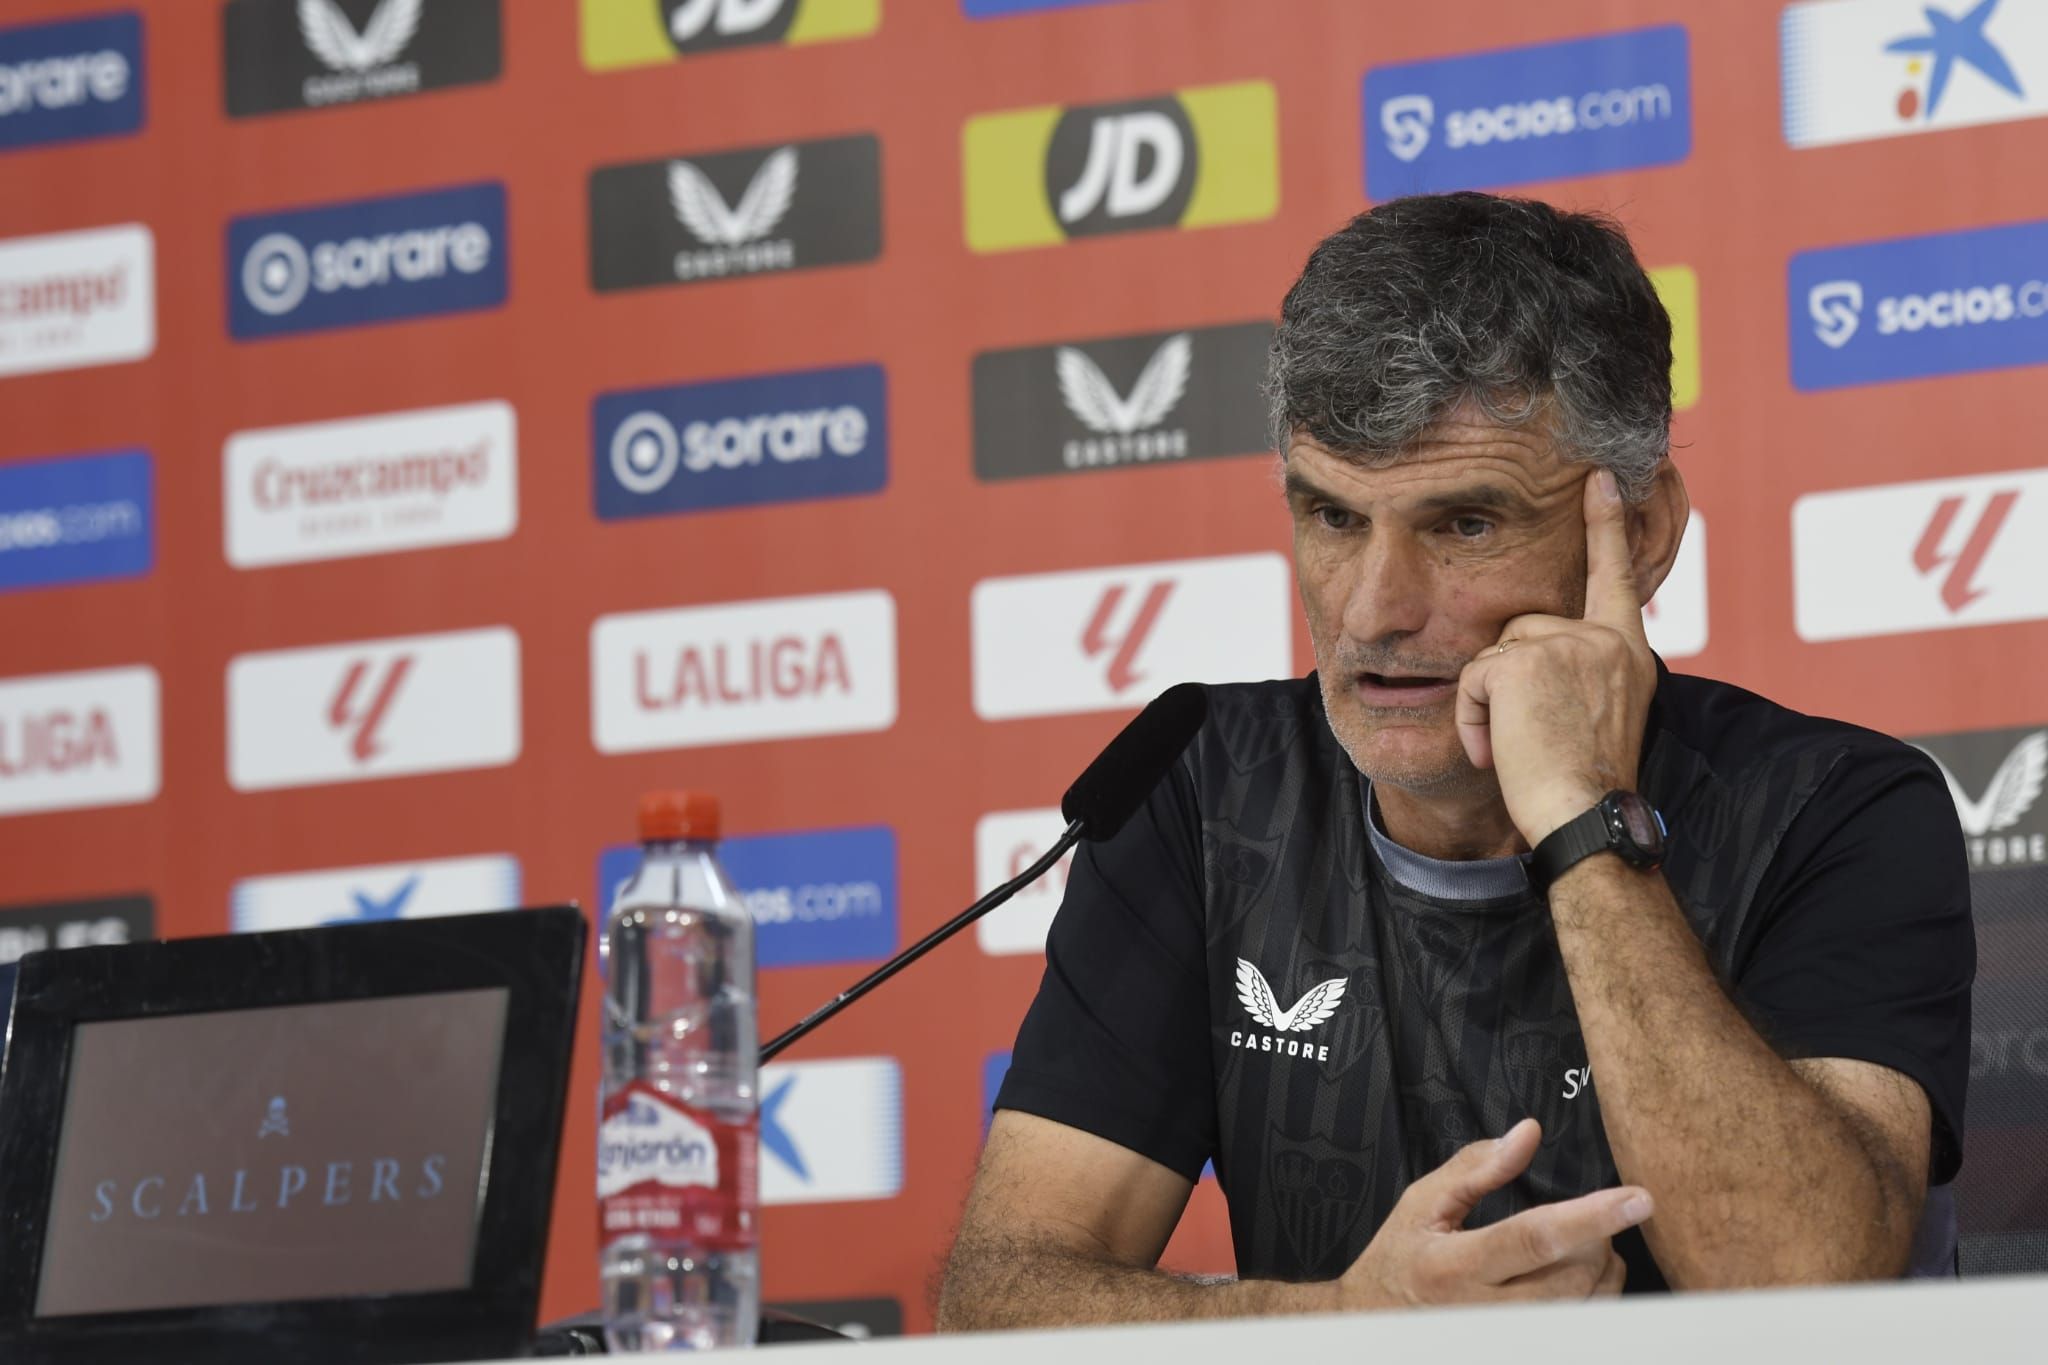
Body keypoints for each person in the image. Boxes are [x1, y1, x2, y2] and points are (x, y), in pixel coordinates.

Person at [936, 192, 1975, 1329]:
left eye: (1462, 526)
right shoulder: (1198, 793)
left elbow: (1804, 1292)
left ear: (1634, 537)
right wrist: (1337, 1323)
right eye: (1332, 519)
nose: (1374, 612)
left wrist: (1581, 817)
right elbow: (996, 1302)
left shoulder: (1833, 808)